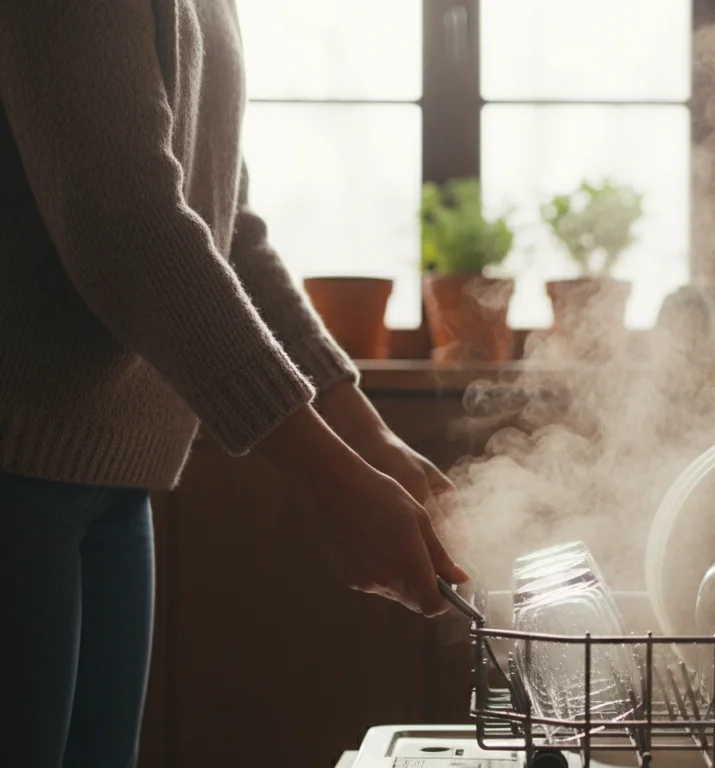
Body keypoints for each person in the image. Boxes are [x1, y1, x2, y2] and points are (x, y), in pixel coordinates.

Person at [0, 2, 469, 766]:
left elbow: (225, 225)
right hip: (16, 468)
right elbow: (123, 220)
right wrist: (329, 479)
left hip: (115, 477)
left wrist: (365, 433)